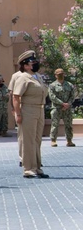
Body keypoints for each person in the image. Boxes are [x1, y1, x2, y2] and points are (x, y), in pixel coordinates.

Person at [10, 50, 48, 178]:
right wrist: (18, 114)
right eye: (32, 62)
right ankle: (28, 168)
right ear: (25, 65)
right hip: (28, 110)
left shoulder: (38, 76)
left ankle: (37, 166)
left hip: (39, 109)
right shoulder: (23, 77)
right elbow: (16, 96)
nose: (35, 64)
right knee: (28, 140)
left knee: (37, 140)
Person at [48, 68, 75, 147]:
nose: (60, 75)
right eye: (59, 74)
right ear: (55, 75)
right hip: (56, 108)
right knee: (55, 125)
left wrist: (67, 104)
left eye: (62, 74)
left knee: (69, 125)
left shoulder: (69, 85)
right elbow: (52, 96)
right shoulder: (52, 85)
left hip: (67, 108)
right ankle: (53, 140)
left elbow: (72, 96)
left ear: (64, 75)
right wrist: (62, 103)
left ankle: (69, 141)